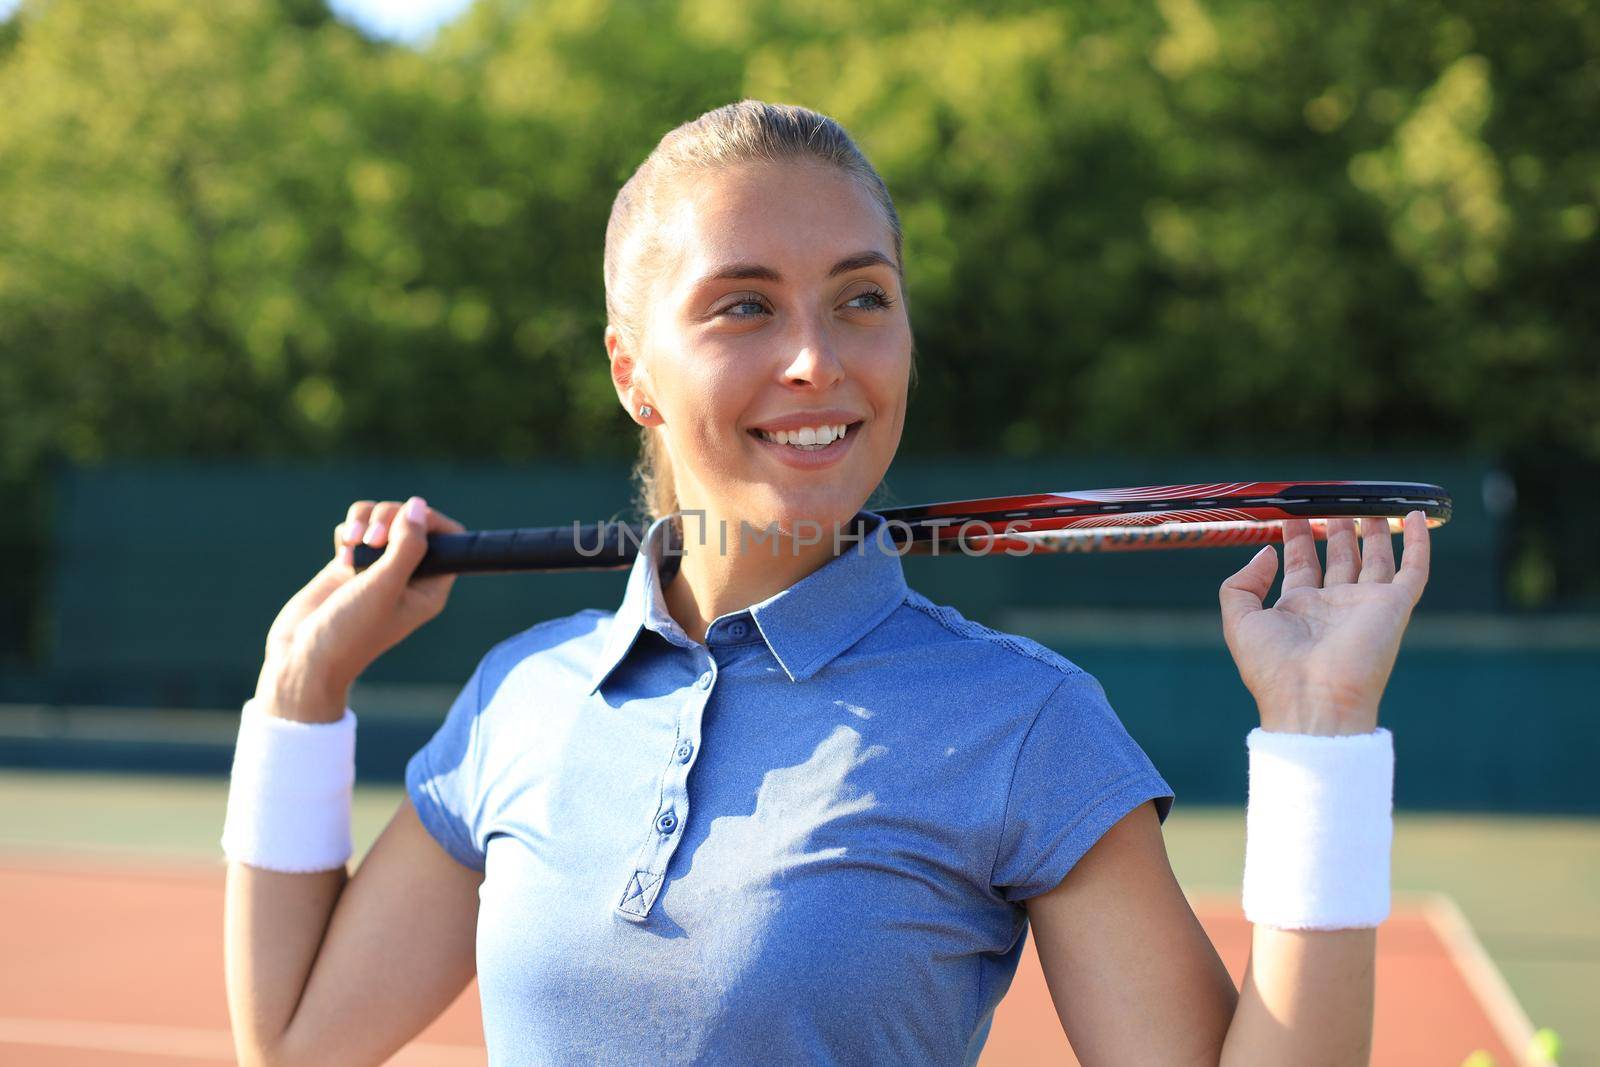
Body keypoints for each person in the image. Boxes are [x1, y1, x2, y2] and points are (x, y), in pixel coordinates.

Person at [221, 101, 1431, 1066]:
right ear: (632, 368)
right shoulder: (519, 695)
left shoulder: (1023, 720)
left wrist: (1321, 733)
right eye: (744, 305)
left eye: (862, 300)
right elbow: (292, 1040)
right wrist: (300, 685)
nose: (817, 359)